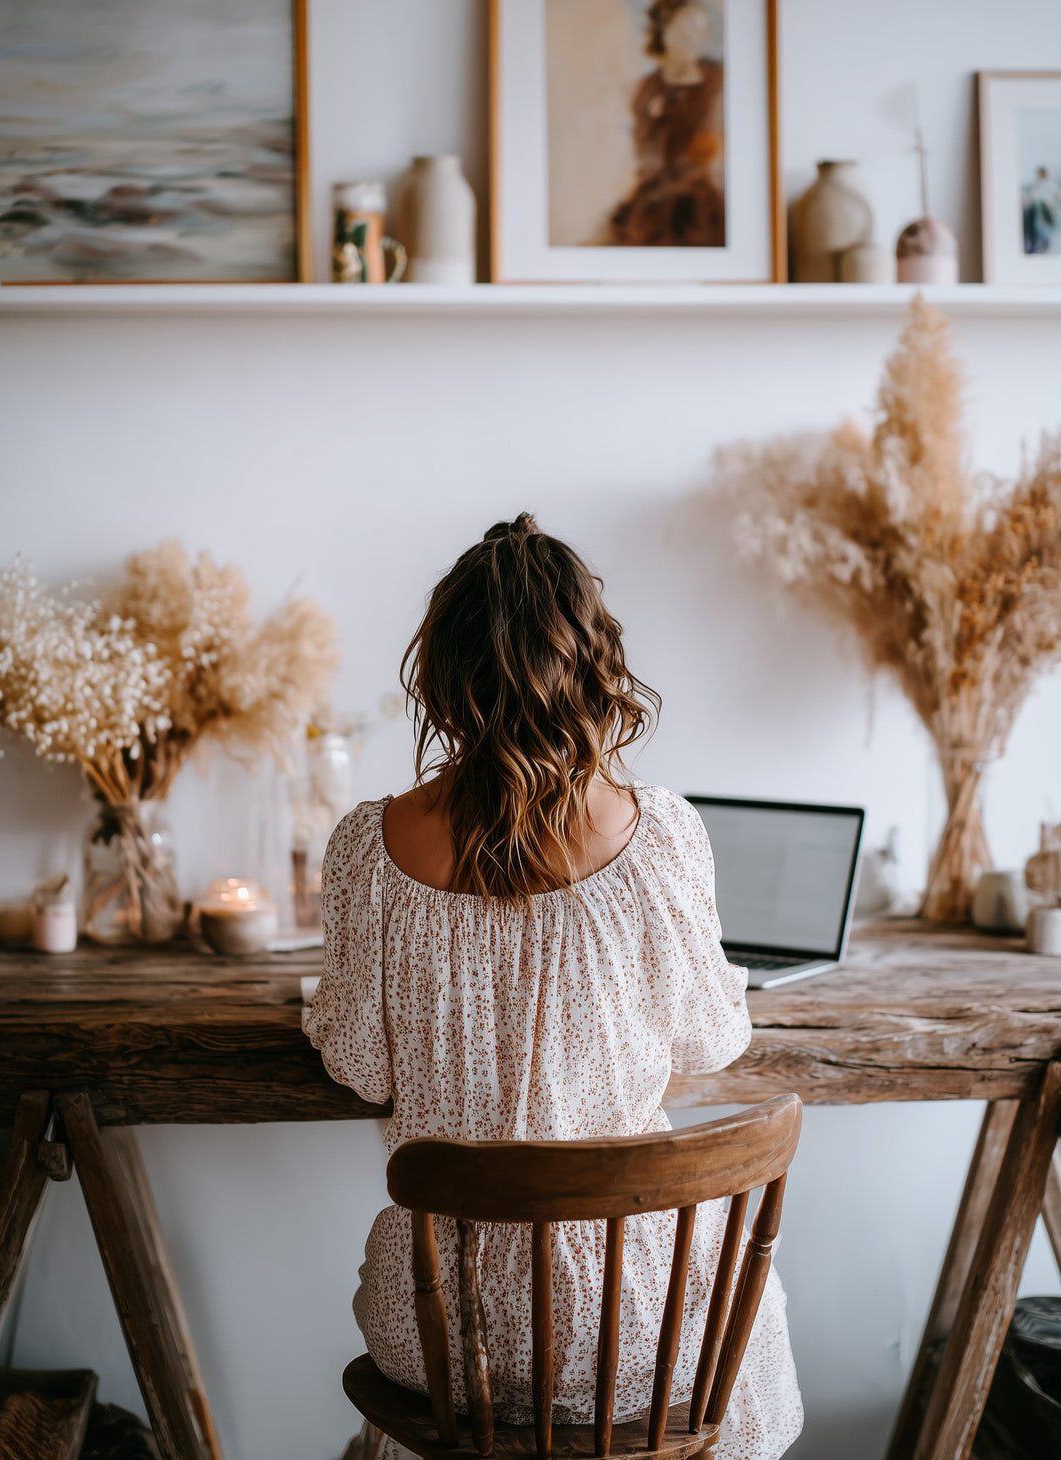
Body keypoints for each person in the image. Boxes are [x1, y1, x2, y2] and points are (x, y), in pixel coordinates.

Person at [305, 514, 803, 1460]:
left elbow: (363, 1068)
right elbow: (710, 1043)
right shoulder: (659, 837)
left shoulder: (367, 849)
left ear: (443, 675)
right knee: (733, 1300)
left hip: (448, 1338)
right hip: (639, 1333)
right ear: (595, 668)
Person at [607, 0, 726, 248]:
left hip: (703, 199)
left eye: (700, 30)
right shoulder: (646, 89)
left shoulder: (719, 80)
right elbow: (644, 153)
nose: (693, 38)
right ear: (664, 30)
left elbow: (715, 148)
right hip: (657, 197)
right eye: (684, 28)